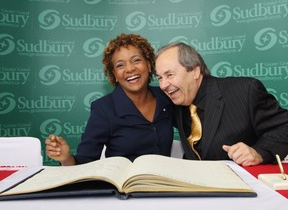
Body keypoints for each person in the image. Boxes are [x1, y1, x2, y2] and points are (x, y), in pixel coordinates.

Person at [45, 33, 174, 165]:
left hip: (163, 182)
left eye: (136, 60)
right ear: (114, 74)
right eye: (120, 65)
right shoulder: (104, 109)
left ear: (148, 64)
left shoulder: (166, 96)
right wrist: (66, 159)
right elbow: (85, 162)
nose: (129, 69)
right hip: (124, 184)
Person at [155, 42, 288, 166]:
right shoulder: (175, 101)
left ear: (195, 72)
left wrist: (258, 152)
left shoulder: (245, 91)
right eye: (160, 77)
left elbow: (284, 127)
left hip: (243, 185)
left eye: (170, 75)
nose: (163, 85)